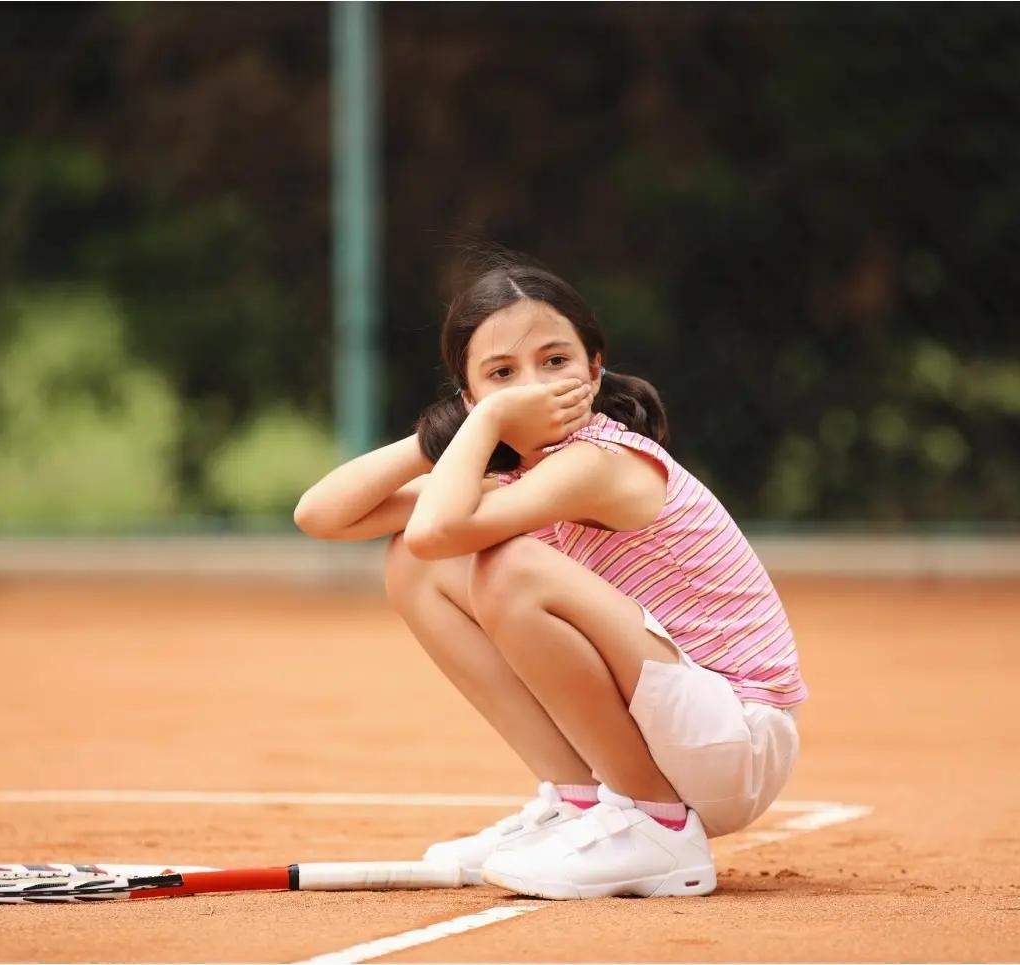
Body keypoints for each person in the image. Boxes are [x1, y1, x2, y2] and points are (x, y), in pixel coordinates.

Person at [294, 256, 807, 900]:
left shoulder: (600, 459)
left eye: (555, 361)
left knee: (507, 566)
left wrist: (484, 419)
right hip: (677, 728)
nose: (532, 387)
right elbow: (322, 515)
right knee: (414, 565)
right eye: (502, 374)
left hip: (735, 740)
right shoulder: (507, 476)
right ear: (468, 391)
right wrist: (447, 435)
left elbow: (438, 529)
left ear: (596, 368)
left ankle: (656, 825)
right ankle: (585, 805)